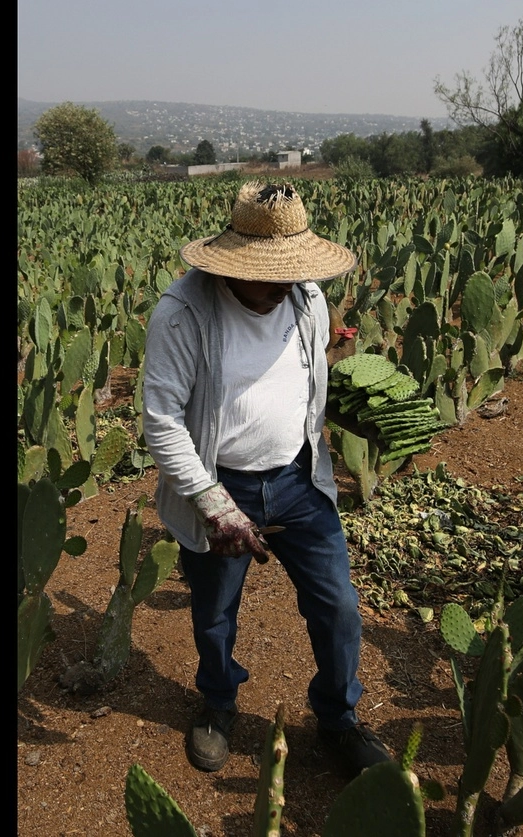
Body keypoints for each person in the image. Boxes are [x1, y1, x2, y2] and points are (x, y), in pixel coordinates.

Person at [141, 181, 393, 777]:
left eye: (293, 272)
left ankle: (337, 718)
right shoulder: (183, 314)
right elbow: (161, 419)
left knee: (337, 605)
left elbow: (305, 382)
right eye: (271, 273)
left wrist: (356, 404)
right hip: (220, 484)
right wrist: (212, 502)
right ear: (232, 263)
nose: (285, 283)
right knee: (214, 613)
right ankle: (218, 702)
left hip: (300, 478)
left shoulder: (306, 300)